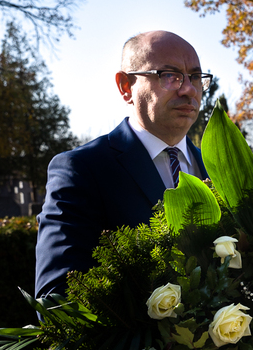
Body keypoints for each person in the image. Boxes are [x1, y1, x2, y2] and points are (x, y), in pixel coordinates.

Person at [35, 31, 211, 299]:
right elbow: (57, 298)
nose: (188, 89)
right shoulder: (82, 170)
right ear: (126, 86)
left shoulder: (217, 167)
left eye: (195, 77)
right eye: (169, 75)